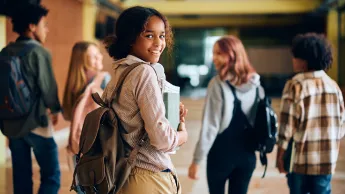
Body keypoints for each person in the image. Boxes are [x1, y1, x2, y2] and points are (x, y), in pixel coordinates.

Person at [102, 6, 188, 194]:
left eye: (162, 36)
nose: (159, 43)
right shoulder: (144, 72)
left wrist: (168, 117)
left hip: (124, 175)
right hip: (148, 177)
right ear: (131, 38)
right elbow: (161, 140)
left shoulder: (120, 70)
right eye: (149, 36)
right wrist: (182, 135)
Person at [188, 35, 264, 194]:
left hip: (221, 156)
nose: (213, 58)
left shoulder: (217, 84)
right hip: (248, 157)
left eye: (218, 53)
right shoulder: (256, 84)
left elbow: (210, 127)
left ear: (231, 55)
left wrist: (196, 161)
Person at [0, 4, 61, 194]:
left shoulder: (5, 52)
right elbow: (47, 87)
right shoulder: (39, 52)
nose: (47, 29)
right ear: (32, 27)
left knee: (21, 177)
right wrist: (56, 109)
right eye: (44, 25)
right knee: (52, 176)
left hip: (11, 123)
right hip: (36, 122)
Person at [276, 33, 345, 194]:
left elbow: (287, 126)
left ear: (303, 60)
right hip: (326, 161)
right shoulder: (333, 86)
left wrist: (280, 155)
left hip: (300, 161)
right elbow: (341, 126)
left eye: (295, 57)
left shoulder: (295, 85)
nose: (293, 60)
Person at [62, 41, 111, 155]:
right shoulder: (103, 79)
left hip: (79, 143)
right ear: (83, 61)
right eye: (94, 56)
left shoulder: (74, 85)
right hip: (99, 142)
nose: (100, 56)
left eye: (98, 53)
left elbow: (67, 114)